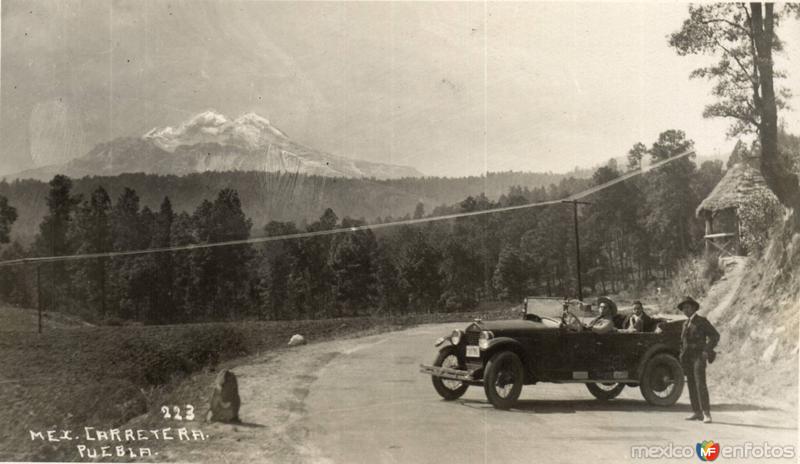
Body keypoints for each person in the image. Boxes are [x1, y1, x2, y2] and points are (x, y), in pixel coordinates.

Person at [678, 296, 720, 424]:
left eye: (688, 307)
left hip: (698, 357)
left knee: (700, 384)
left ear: (694, 308)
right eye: (684, 308)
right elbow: (683, 342)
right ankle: (697, 412)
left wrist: (706, 351)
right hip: (688, 358)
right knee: (691, 384)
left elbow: (715, 336)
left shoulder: (701, 321)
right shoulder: (685, 323)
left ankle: (707, 413)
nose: (685, 310)